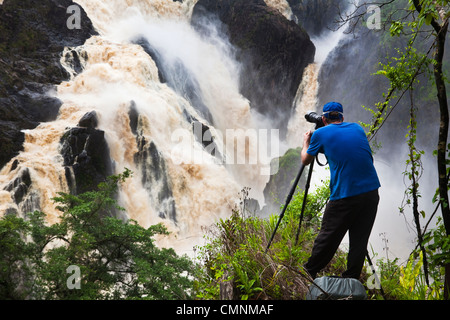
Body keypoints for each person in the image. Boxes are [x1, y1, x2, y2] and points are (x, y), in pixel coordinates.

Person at [301, 102, 381, 280]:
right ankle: (351, 279)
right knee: (359, 241)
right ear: (342, 117)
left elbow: (306, 160)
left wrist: (307, 141)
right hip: (371, 192)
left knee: (328, 237)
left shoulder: (320, 133)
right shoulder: (358, 128)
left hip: (345, 195)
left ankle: (308, 272)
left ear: (323, 119)